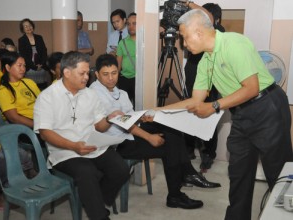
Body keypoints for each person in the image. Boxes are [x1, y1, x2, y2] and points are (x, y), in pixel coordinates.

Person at [159, 8, 293, 220]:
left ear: (199, 33)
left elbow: (251, 88)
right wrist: (155, 111)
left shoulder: (234, 44)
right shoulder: (204, 61)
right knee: (238, 175)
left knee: (279, 176)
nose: (183, 44)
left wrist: (214, 106)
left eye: (184, 37)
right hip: (241, 114)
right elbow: (195, 101)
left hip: (267, 107)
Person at [90, 54, 221, 210]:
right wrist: (149, 137)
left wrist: (145, 118)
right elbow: (123, 123)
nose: (111, 78)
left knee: (170, 127)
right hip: (116, 144)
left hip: (128, 133)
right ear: (97, 74)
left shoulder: (120, 93)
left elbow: (130, 118)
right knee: (169, 147)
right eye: (105, 74)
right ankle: (177, 191)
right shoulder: (94, 94)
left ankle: (186, 177)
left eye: (114, 73)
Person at [33, 51, 129, 220]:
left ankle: (95, 202)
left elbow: (99, 126)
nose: (87, 77)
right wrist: (73, 146)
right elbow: (45, 133)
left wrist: (109, 119)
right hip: (65, 152)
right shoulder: (47, 97)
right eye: (82, 73)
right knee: (87, 172)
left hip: (91, 145)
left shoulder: (90, 94)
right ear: (67, 73)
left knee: (120, 169)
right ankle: (98, 214)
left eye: (88, 73)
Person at [184, 3, 225, 171]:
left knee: (209, 119)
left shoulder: (219, 32)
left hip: (211, 85)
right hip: (193, 79)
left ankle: (208, 154)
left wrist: (188, 3)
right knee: (189, 112)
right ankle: (189, 149)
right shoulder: (194, 31)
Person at [18, 18, 49, 90]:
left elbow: (44, 51)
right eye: (25, 26)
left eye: (30, 25)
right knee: (32, 87)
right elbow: (23, 56)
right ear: (22, 29)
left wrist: (41, 64)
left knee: (43, 88)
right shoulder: (21, 40)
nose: (28, 27)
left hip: (41, 66)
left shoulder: (39, 37)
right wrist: (34, 67)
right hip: (30, 68)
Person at [116, 12, 136, 105]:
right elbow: (118, 65)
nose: (131, 26)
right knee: (124, 107)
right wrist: (114, 79)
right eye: (128, 24)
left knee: (139, 107)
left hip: (139, 80)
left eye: (134, 23)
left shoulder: (145, 42)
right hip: (124, 80)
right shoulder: (122, 43)